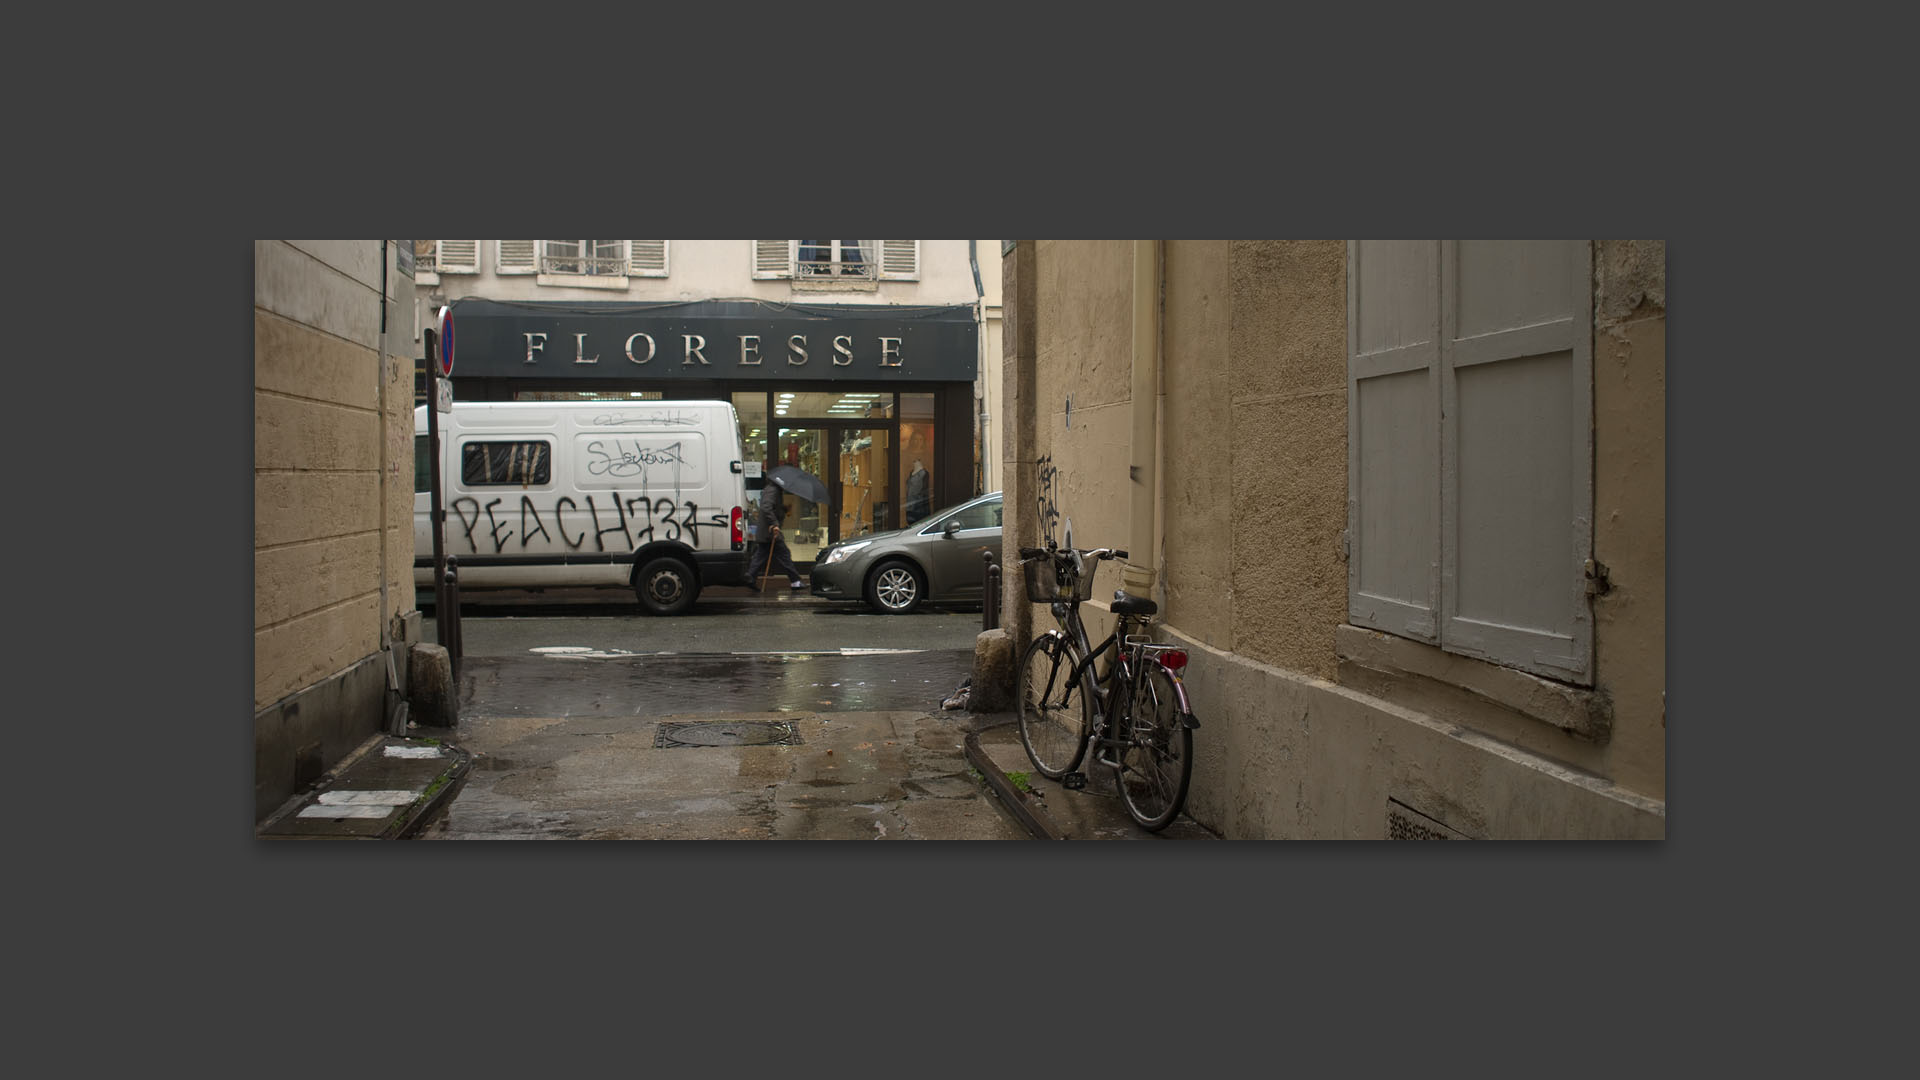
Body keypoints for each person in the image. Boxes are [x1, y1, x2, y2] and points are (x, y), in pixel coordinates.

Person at [744, 469, 805, 589]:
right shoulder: (773, 490)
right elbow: (766, 507)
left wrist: (782, 509)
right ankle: (795, 582)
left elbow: (770, 507)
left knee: (761, 555)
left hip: (767, 532)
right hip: (771, 531)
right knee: (784, 555)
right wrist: (775, 524)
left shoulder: (772, 490)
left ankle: (750, 577)